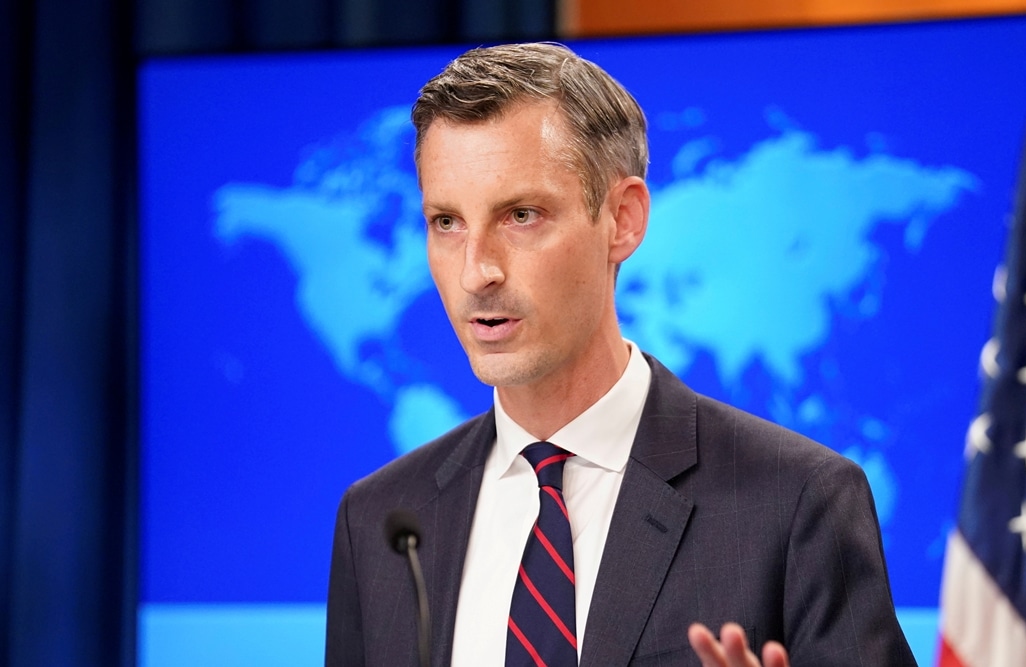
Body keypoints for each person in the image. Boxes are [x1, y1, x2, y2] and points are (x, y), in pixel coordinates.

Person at [325, 42, 916, 667]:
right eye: (447, 222)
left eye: (521, 215)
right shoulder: (382, 522)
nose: (477, 272)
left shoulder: (796, 504)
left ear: (624, 220)